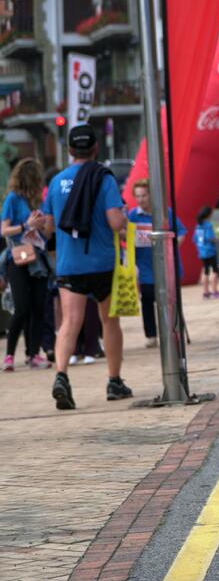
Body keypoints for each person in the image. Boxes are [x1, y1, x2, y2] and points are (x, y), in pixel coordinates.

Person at [41, 124, 130, 410]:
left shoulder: (56, 182)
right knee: (109, 321)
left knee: (70, 322)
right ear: (95, 149)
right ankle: (114, 382)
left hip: (70, 264)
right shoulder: (104, 179)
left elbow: (49, 227)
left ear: (69, 151)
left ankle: (61, 376)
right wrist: (125, 221)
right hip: (101, 262)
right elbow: (116, 221)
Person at [1, 158, 51, 371]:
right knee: (21, 307)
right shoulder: (13, 199)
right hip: (18, 258)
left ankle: (33, 354)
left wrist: (40, 225)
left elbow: (47, 233)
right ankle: (9, 355)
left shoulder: (38, 201)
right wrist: (26, 225)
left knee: (38, 306)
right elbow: (4, 230)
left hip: (37, 258)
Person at [128, 179, 186, 347]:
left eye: (144, 195)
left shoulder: (165, 212)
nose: (141, 199)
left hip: (166, 267)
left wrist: (169, 248)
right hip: (144, 268)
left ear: (151, 195)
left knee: (170, 301)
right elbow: (126, 235)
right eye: (137, 196)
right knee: (147, 300)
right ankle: (151, 335)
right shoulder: (132, 215)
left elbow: (181, 232)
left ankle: (173, 331)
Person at [194, 206, 219, 299]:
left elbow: (194, 239)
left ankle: (206, 292)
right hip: (210, 251)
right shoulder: (208, 225)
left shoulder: (198, 226)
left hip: (202, 251)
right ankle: (215, 291)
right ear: (208, 214)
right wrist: (217, 240)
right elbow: (209, 237)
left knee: (205, 271)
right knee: (215, 270)